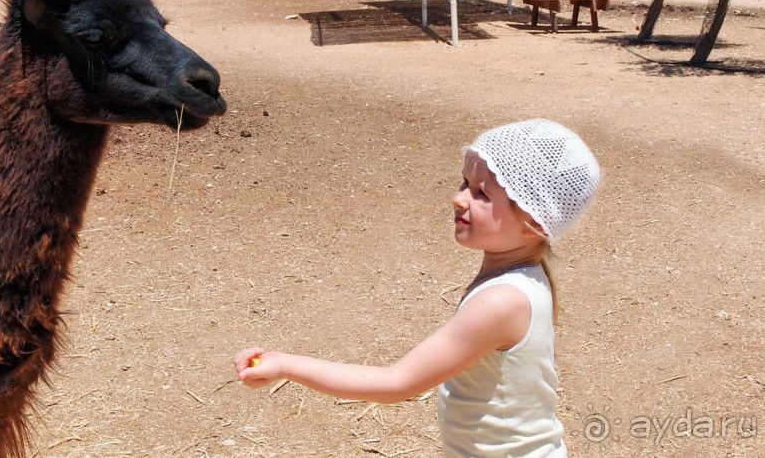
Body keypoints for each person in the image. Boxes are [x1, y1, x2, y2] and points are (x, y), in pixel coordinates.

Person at [235, 118, 600, 458]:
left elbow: (397, 383)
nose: (459, 198)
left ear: (533, 222)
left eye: (482, 194)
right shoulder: (525, 277)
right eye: (464, 183)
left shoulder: (501, 301)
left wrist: (286, 364)